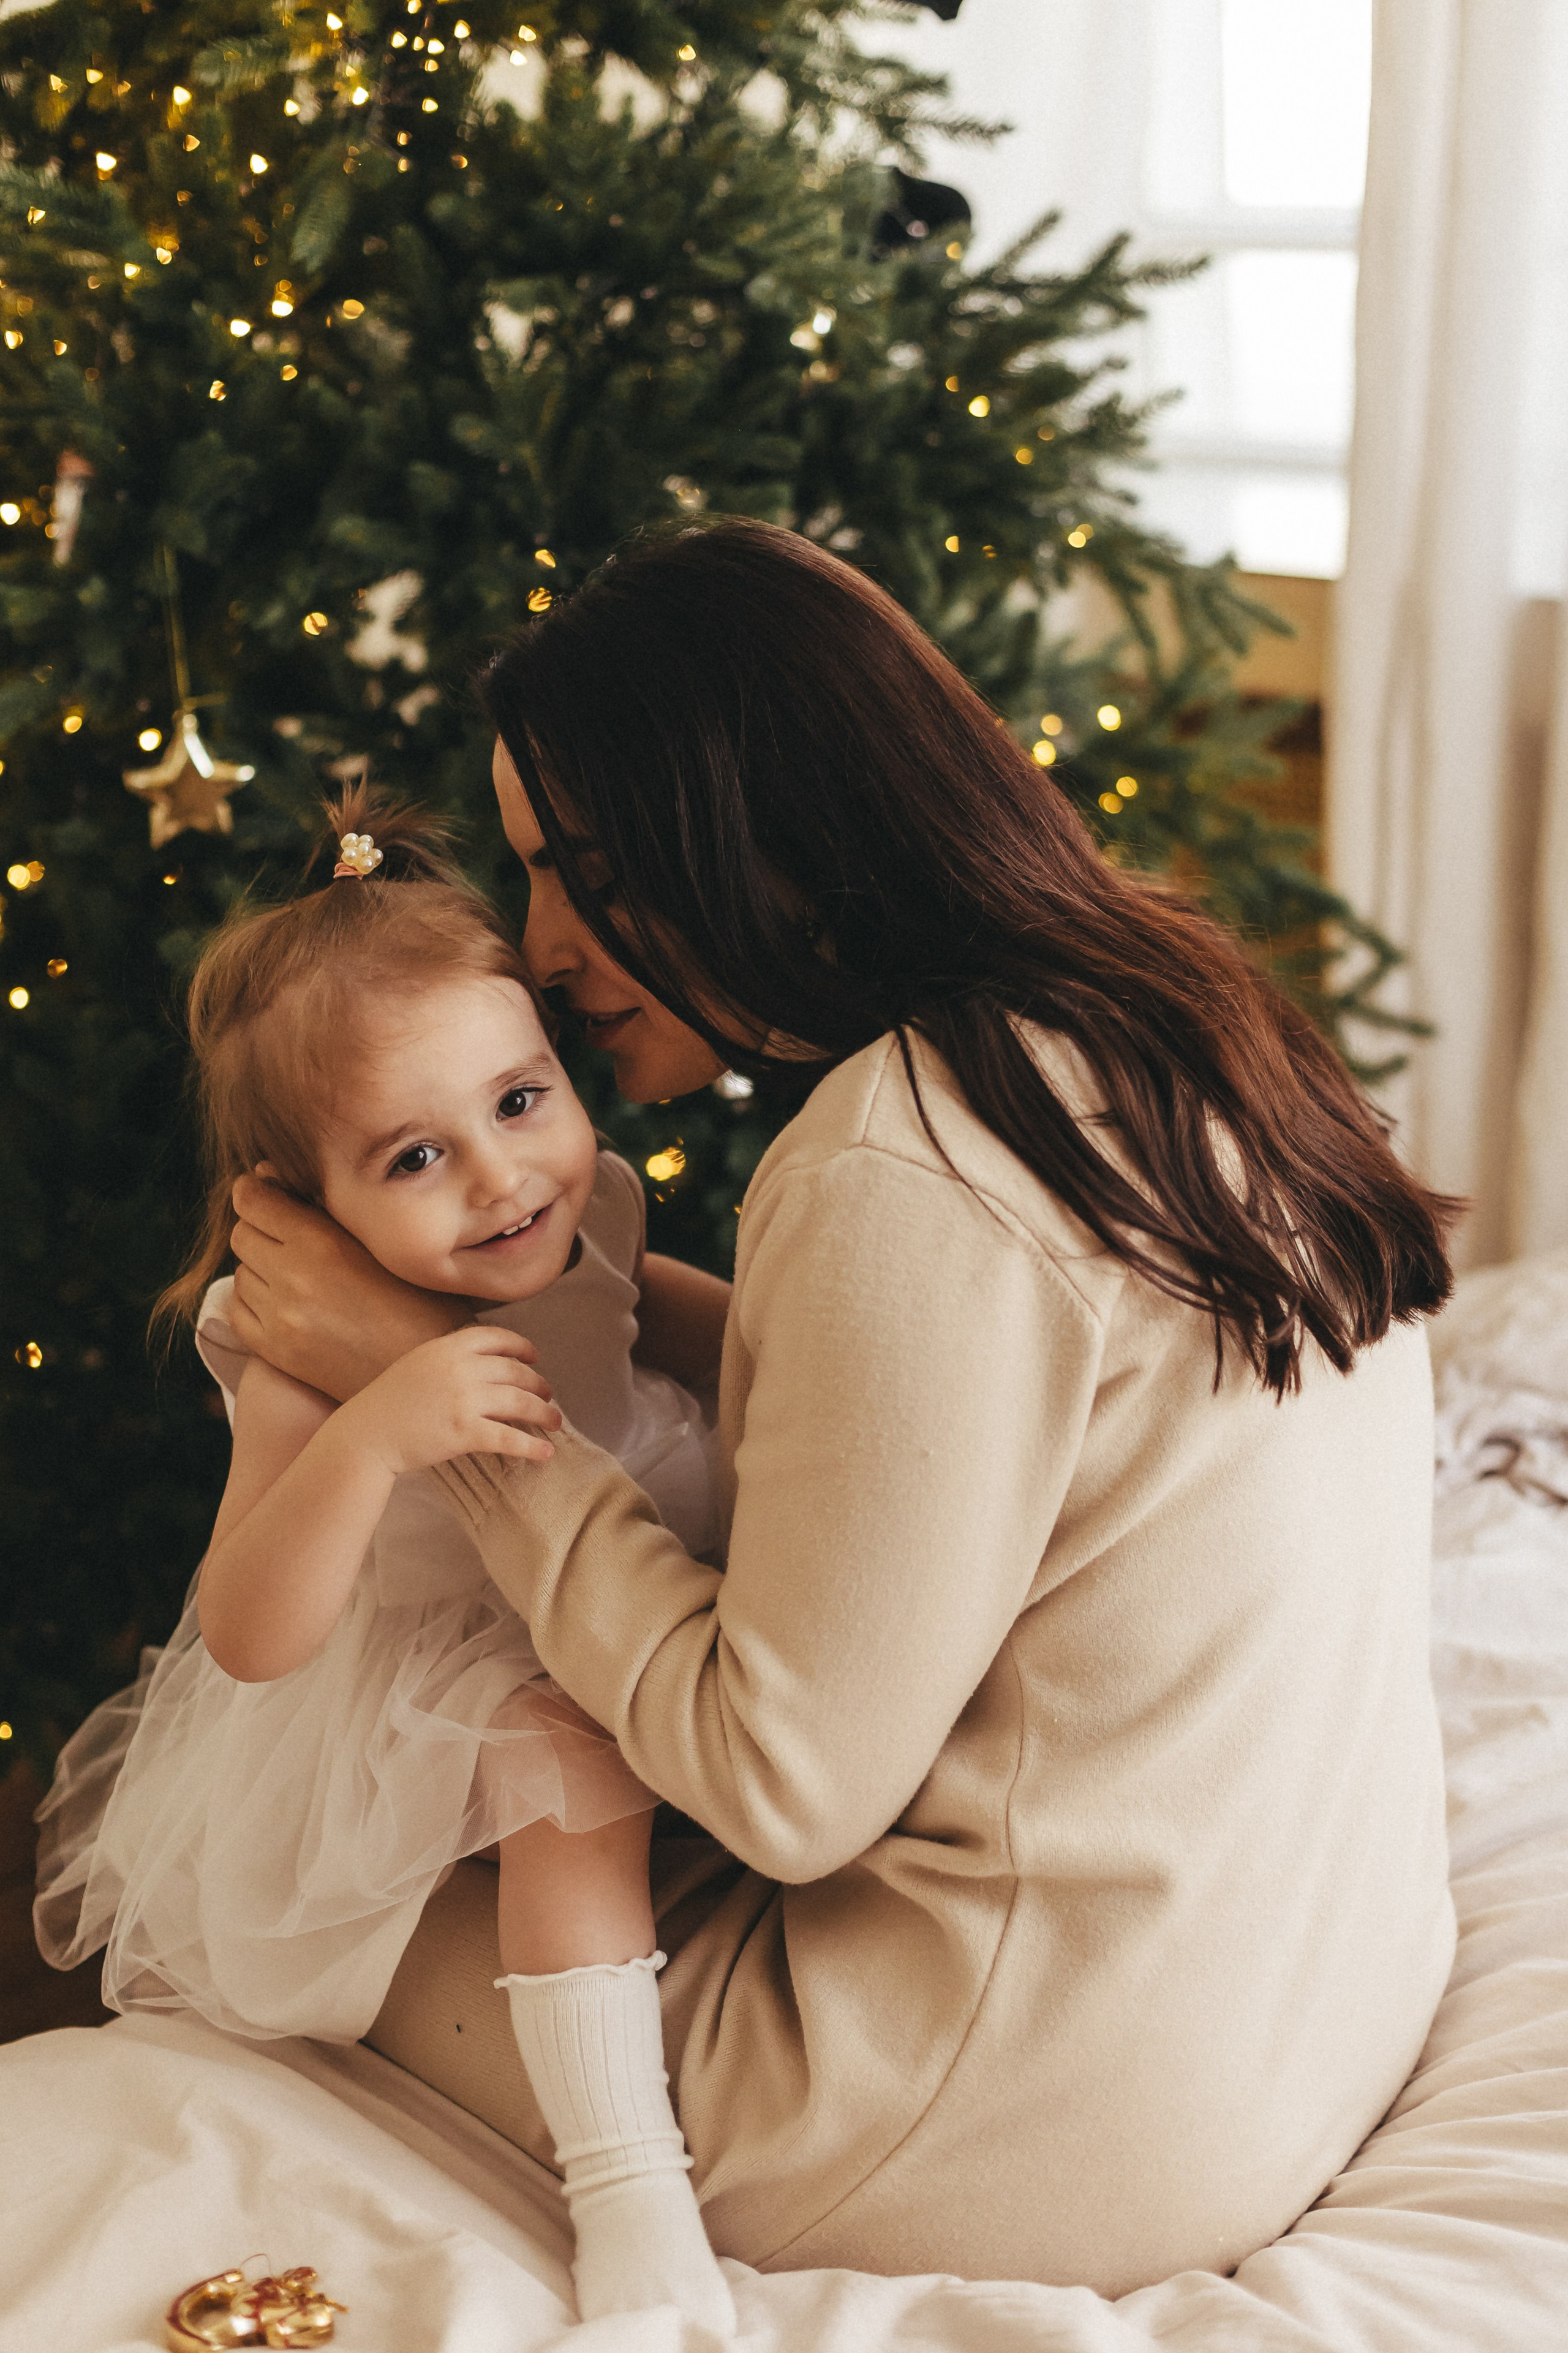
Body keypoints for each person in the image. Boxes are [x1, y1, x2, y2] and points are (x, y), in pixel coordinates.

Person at [219, 520, 1460, 2297]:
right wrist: (595, 1298)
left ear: (748, 824)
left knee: (279, 1904)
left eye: (576, 869)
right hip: (1312, 1988)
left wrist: (447, 1410)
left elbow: (780, 1783)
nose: (547, 946)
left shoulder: (906, 1156)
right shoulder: (1162, 1016)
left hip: (1034, 2117)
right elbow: (938, 1434)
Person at [32, 795, 737, 2337]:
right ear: (305, 1203)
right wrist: (372, 1435)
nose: (502, 1178)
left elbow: (679, 1326)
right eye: (417, 1153)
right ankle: (628, 2186)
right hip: (437, 1678)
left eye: (522, 1097)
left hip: (635, 1587)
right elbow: (252, 1632)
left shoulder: (585, 1199)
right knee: (567, 1754)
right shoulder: (295, 1340)